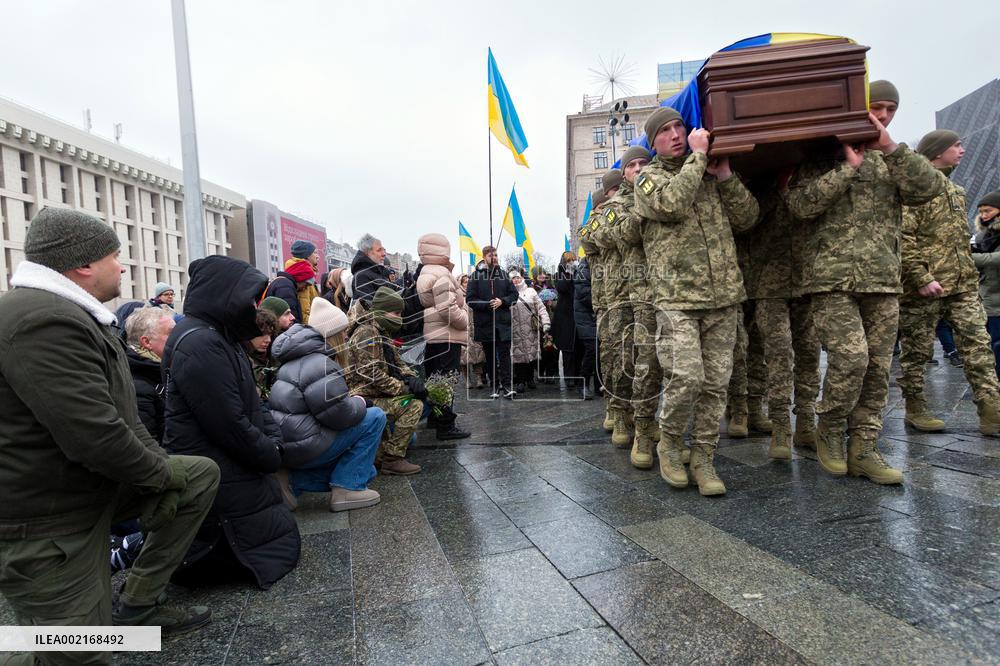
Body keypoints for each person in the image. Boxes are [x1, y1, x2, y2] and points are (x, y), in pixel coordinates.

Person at [0, 208, 221, 661]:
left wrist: (160, 472)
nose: (121, 267)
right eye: (115, 257)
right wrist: (159, 478)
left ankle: (137, 605)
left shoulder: (69, 313)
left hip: (83, 488)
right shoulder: (42, 321)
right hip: (46, 522)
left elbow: (121, 415)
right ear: (84, 265)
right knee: (77, 653)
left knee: (196, 475)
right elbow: (94, 435)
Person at [785, 80, 948, 484]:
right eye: (877, 106)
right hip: (831, 280)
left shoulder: (894, 158)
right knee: (850, 359)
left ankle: (865, 447)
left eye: (891, 108)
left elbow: (930, 189)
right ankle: (830, 426)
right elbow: (799, 206)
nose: (884, 115)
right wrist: (846, 169)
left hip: (882, 279)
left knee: (877, 369)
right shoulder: (821, 157)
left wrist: (890, 148)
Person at [633, 106, 760, 496]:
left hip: (723, 297)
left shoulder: (709, 175)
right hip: (677, 300)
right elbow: (670, 205)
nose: (675, 134)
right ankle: (670, 444)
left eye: (679, 127)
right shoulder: (648, 180)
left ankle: (704, 457)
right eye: (665, 131)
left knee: (716, 384)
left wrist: (724, 177)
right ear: (653, 142)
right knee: (686, 377)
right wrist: (699, 158)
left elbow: (749, 218)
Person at [162, 255, 300, 590]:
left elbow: (252, 402)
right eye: (250, 299)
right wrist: (269, 453)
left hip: (229, 464)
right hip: (221, 468)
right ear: (227, 295)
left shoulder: (215, 336)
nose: (253, 308)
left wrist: (273, 440)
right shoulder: (202, 342)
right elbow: (228, 424)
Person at [897, 130, 1000, 434]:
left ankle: (992, 412)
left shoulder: (956, 190)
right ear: (938, 151)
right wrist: (921, 277)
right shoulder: (915, 189)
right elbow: (903, 237)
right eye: (956, 145)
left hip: (963, 285)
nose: (962, 150)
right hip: (924, 288)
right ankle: (915, 409)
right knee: (917, 353)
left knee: (979, 347)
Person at [268, 297, 386, 511]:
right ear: (333, 335)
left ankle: (293, 480)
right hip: (307, 445)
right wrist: (360, 402)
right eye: (343, 332)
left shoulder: (297, 358)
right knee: (376, 416)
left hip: (292, 446)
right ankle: (347, 488)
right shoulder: (320, 364)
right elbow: (339, 416)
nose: (346, 337)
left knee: (367, 471)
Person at [741, 178, 821, 459]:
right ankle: (780, 426)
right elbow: (743, 222)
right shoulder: (759, 189)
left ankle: (807, 421)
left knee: (810, 352)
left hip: (805, 280)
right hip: (768, 285)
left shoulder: (808, 181)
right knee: (777, 355)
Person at [604, 145, 664, 466]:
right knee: (637, 357)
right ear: (625, 173)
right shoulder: (616, 206)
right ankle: (632, 418)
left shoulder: (663, 187)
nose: (638, 168)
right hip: (635, 292)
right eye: (632, 165)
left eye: (644, 163)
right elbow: (623, 232)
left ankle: (668, 429)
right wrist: (649, 199)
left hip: (673, 286)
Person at [345, 287, 425, 474]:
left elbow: (397, 362)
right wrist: (403, 388)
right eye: (396, 313)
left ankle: (384, 455)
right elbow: (370, 373)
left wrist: (411, 378)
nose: (399, 317)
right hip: (365, 397)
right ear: (382, 311)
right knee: (413, 405)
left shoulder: (380, 329)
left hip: (377, 394)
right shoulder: (367, 333)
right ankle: (393, 459)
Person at [415, 233, 472, 439]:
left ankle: (435, 418)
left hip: (434, 334)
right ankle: (446, 425)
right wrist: (465, 318)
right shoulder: (441, 274)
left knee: (435, 378)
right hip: (446, 334)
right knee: (445, 381)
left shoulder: (427, 271)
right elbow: (447, 307)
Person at [467, 246, 519, 398]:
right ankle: (495, 386)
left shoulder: (503, 275)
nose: (494, 257)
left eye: (496, 255)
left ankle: (507, 386)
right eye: (491, 255)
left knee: (504, 356)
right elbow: (470, 299)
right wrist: (487, 303)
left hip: (503, 323)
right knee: (490, 357)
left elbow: (514, 295)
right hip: (485, 323)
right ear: (484, 257)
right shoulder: (476, 276)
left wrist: (502, 301)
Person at [125, 305, 177, 443]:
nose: (178, 337)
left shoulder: (161, 370)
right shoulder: (138, 386)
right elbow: (148, 444)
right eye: (172, 333)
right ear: (146, 342)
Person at [972, 190, 1000, 377]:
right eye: (981, 212)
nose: (984, 216)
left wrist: (968, 257)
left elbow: (996, 259)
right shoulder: (983, 237)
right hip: (989, 299)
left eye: (988, 211)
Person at [509, 269, 551, 394]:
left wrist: (546, 322)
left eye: (518, 277)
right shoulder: (508, 293)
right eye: (513, 278)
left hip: (530, 328)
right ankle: (521, 381)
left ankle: (530, 378)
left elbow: (541, 308)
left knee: (531, 354)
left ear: (522, 278)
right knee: (518, 356)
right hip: (515, 330)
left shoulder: (531, 291)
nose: (516, 280)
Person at [551, 252, 580, 385]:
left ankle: (579, 375)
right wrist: (569, 274)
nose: (571, 263)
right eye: (569, 261)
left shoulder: (580, 273)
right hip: (565, 316)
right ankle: (569, 377)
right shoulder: (559, 275)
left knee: (578, 347)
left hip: (578, 314)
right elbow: (562, 288)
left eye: (573, 260)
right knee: (567, 348)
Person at [573, 253, 598, 399]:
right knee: (591, 350)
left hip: (596, 316)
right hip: (586, 317)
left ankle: (599, 386)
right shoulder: (583, 270)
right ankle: (583, 384)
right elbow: (584, 294)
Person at [351, 234, 398, 304]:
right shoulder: (361, 277)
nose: (384, 254)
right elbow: (371, 308)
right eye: (379, 250)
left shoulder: (377, 272)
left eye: (383, 250)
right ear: (367, 252)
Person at [460, 274, 487, 388]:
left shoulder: (475, 294)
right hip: (462, 329)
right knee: (464, 357)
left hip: (475, 328)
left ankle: (478, 378)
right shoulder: (458, 296)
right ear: (461, 283)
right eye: (464, 282)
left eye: (468, 281)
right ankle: (467, 380)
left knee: (478, 355)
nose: (467, 284)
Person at [268, 259, 315, 325]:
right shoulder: (286, 287)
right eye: (306, 284)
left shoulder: (283, 283)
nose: (305, 288)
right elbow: (290, 317)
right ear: (299, 278)